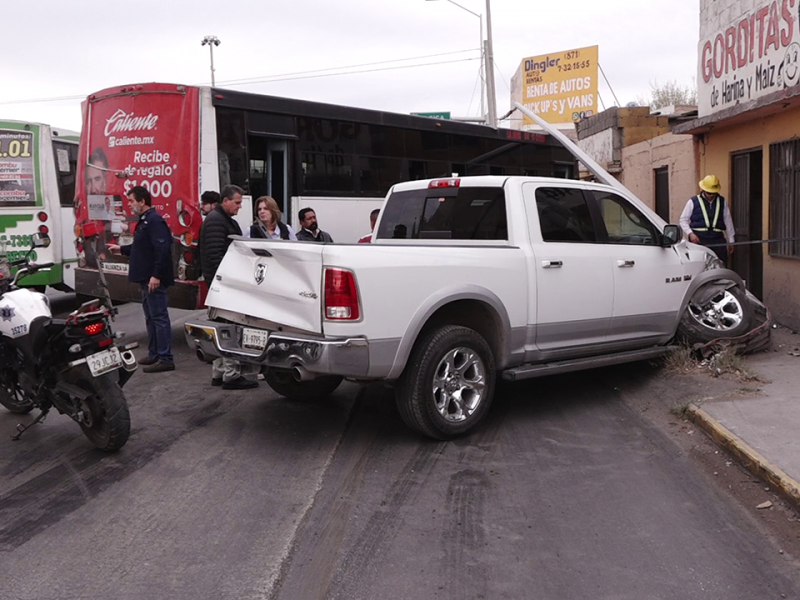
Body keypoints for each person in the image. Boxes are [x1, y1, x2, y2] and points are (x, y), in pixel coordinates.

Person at [107, 186, 175, 373]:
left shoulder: (154, 221)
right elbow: (140, 248)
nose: (129, 205)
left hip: (152, 279)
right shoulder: (145, 221)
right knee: (151, 317)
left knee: (159, 317)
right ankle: (154, 353)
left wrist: (156, 275)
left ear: (142, 201)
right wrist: (121, 249)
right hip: (145, 278)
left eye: (131, 201)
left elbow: (162, 250)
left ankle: (165, 357)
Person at [200, 184, 259, 390]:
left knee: (218, 329)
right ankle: (231, 376)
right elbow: (217, 256)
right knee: (229, 330)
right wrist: (228, 284)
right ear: (225, 201)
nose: (239, 206)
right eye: (237, 202)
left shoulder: (219, 219)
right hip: (223, 286)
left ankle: (219, 373)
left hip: (218, 285)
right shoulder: (217, 221)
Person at [679, 175, 735, 263]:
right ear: (704, 190)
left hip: (717, 239)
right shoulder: (693, 201)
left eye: (714, 193)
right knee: (700, 266)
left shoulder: (722, 201)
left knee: (719, 265)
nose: (711, 195)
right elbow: (683, 220)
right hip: (699, 239)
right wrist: (690, 233)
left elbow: (728, 221)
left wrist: (731, 240)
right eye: (709, 193)